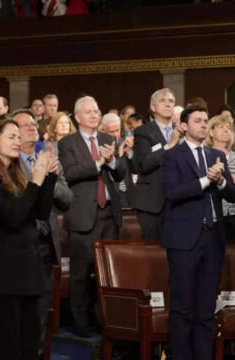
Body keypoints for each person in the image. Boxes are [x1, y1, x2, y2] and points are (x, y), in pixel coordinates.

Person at [0, 118, 58, 360]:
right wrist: (36, 180)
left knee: (30, 347)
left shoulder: (17, 173)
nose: (18, 141)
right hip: (4, 274)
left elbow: (40, 213)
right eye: (11, 136)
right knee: (6, 348)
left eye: (18, 136)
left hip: (29, 270)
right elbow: (13, 218)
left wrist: (48, 176)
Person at [161, 104, 235, 360]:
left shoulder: (218, 155)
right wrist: (206, 180)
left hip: (213, 238)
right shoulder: (172, 156)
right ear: (183, 126)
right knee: (182, 308)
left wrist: (222, 181)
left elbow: (232, 194)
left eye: (206, 121)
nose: (204, 124)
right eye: (198, 121)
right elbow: (172, 193)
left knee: (206, 309)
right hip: (184, 241)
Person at [58, 95, 126, 337]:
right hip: (83, 217)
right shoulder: (68, 143)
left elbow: (120, 175)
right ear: (77, 118)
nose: (95, 115)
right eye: (89, 112)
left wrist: (114, 161)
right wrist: (99, 162)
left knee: (108, 274)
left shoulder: (108, 139)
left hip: (109, 214)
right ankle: (81, 324)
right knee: (80, 275)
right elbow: (72, 173)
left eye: (97, 111)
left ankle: (106, 322)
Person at [13, 109, 72, 357]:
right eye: (24, 125)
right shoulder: (8, 163)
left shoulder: (47, 156)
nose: (31, 127)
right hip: (20, 248)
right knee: (20, 320)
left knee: (41, 315)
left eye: (32, 124)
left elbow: (67, 200)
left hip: (46, 247)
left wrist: (51, 178)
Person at [133, 88, 182, 240]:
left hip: (178, 201)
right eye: (162, 101)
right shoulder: (143, 131)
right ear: (153, 107)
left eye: (171, 101)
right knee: (153, 254)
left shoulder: (183, 130)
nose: (168, 104)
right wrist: (170, 144)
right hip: (152, 205)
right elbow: (144, 164)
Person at [205, 114, 235, 242]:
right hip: (216, 213)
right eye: (221, 127)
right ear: (211, 131)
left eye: (228, 127)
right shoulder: (204, 155)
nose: (226, 130)